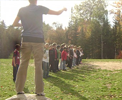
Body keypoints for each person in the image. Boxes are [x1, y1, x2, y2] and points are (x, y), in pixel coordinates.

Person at [12, 0, 67, 96]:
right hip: (38, 39)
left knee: (24, 63)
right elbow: (57, 13)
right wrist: (63, 8)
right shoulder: (40, 8)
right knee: (38, 64)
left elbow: (14, 24)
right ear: (36, 0)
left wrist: (24, 24)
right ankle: (39, 91)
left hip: (26, 39)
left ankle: (19, 89)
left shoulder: (22, 10)